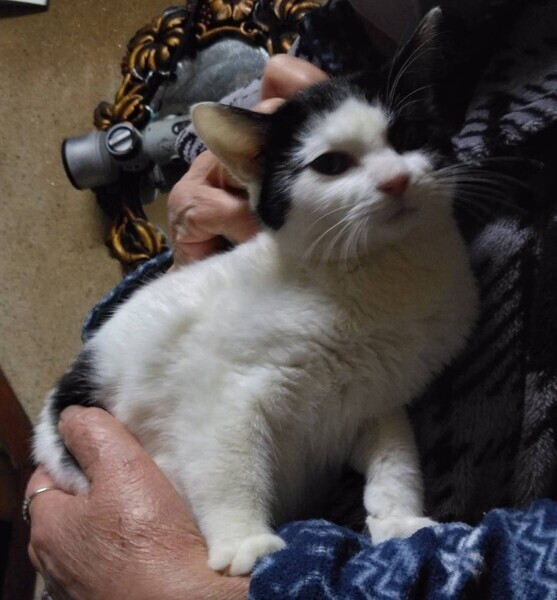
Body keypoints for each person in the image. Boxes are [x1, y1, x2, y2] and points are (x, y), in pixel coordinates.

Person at [27, 0, 557, 597]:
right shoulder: (296, 83)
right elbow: (234, 397)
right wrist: (236, 537)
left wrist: (393, 510)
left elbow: (368, 402)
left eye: (405, 138)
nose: (394, 176)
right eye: (333, 164)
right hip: (114, 464)